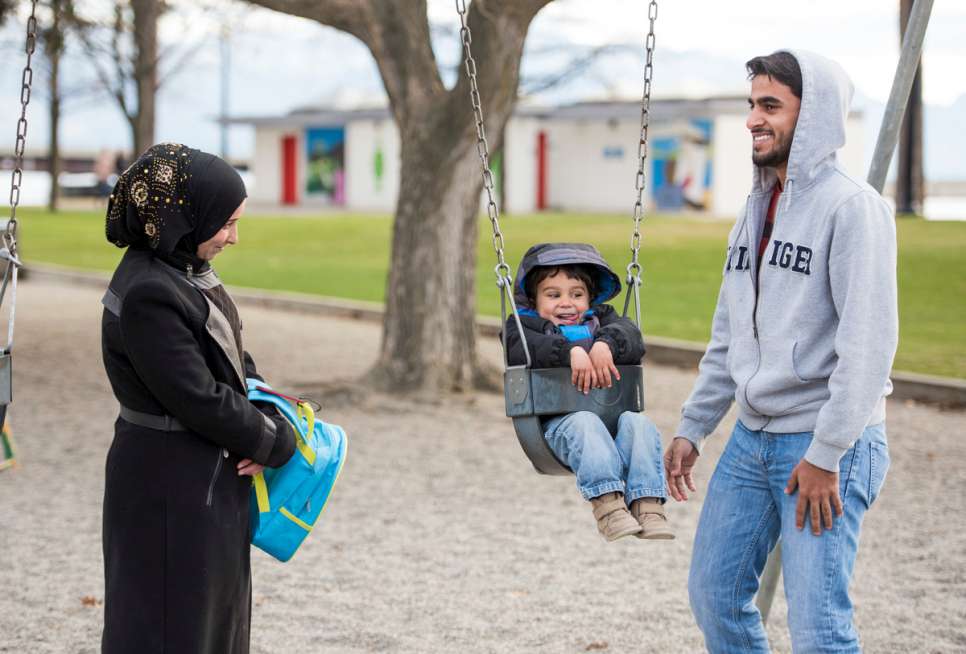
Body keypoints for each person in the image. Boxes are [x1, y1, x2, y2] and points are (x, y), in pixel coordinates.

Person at [664, 51, 897, 652]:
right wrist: (695, 425)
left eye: (770, 106)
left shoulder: (853, 209)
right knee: (715, 596)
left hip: (824, 445)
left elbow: (869, 346)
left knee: (819, 629)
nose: (752, 120)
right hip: (752, 437)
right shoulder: (755, 207)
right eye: (751, 105)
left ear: (812, 114)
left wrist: (826, 454)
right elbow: (730, 330)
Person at [100, 143, 296, 653]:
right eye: (226, 223)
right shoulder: (149, 291)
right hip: (166, 483)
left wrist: (273, 411)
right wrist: (273, 442)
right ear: (185, 214)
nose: (233, 237)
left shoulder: (184, 270)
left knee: (213, 619)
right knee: (169, 621)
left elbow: (232, 358)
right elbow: (196, 395)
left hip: (203, 476)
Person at [504, 243, 672, 541]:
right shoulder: (524, 325)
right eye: (553, 295)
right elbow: (520, 347)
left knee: (639, 423)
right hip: (556, 432)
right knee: (584, 421)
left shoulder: (604, 321)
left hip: (612, 425)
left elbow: (632, 338)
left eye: (577, 294)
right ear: (534, 298)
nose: (566, 303)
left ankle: (648, 505)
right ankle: (608, 508)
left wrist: (605, 343)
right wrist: (569, 352)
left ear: (590, 298)